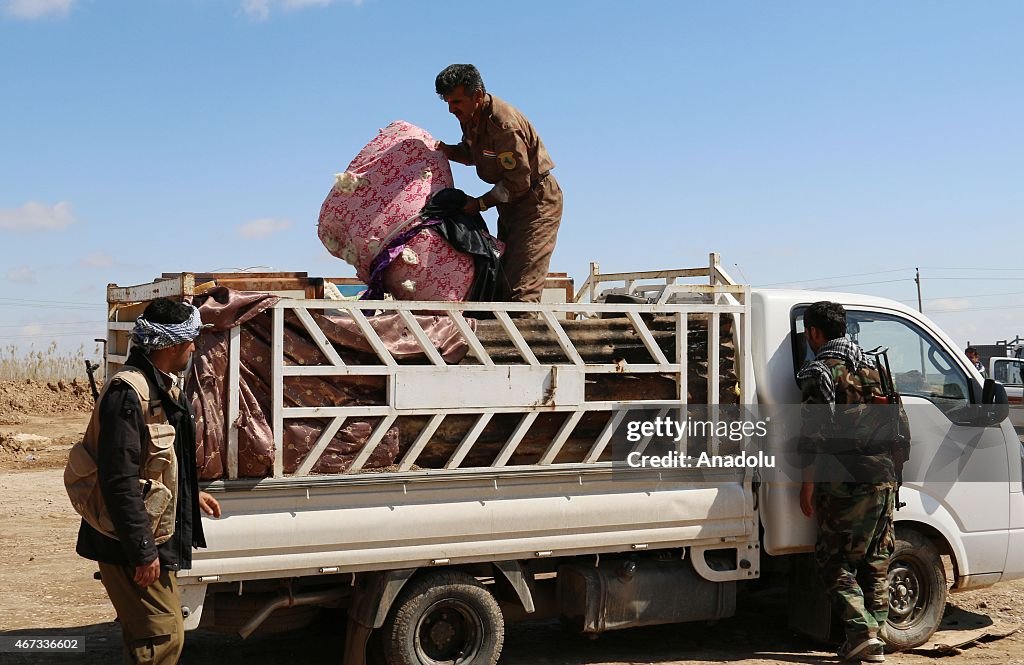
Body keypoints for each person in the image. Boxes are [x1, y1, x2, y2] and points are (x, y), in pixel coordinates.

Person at [73, 298, 221, 664]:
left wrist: (188, 493)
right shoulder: (129, 393)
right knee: (162, 637)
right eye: (191, 341)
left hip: (143, 536)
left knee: (150, 635)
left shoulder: (161, 386)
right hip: (128, 540)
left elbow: (156, 459)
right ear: (172, 346)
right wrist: (142, 550)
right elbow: (118, 478)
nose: (194, 348)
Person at [797, 301, 897, 663]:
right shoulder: (877, 367)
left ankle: (862, 633)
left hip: (844, 481)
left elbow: (813, 436)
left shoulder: (819, 370)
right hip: (884, 476)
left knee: (832, 560)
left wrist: (807, 485)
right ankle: (876, 635)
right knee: (876, 558)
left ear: (813, 332)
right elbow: (898, 422)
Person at [434, 63, 563, 304]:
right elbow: (474, 153)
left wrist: (480, 204)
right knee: (501, 281)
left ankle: (521, 338)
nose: (452, 110)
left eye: (457, 102)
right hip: (510, 204)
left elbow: (518, 181)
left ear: (478, 96)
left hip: (535, 202)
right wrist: (445, 151)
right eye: (448, 103)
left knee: (521, 290)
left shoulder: (503, 126)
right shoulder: (471, 116)